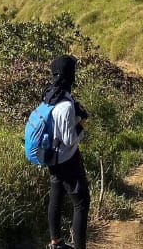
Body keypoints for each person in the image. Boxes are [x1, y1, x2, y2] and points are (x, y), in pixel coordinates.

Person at [44, 54, 90, 249]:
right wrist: (82, 127)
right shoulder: (65, 105)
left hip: (52, 157)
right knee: (81, 203)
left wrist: (76, 119)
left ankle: (56, 242)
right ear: (70, 75)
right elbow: (70, 140)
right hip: (67, 159)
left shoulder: (49, 95)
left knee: (57, 196)